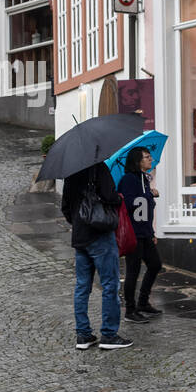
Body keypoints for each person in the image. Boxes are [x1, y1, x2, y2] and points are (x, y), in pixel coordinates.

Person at [62, 161, 131, 351]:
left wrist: (78, 221)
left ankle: (83, 334)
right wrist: (118, 198)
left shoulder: (71, 172)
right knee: (110, 284)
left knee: (82, 286)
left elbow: (65, 207)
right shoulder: (99, 168)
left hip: (80, 237)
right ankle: (109, 334)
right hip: (99, 235)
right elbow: (110, 197)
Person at [118, 147, 163, 323]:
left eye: (150, 156)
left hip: (144, 232)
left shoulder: (143, 178)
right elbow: (129, 204)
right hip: (133, 232)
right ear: (137, 162)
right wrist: (148, 195)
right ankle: (130, 310)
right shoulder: (128, 180)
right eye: (146, 157)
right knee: (133, 271)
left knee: (155, 265)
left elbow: (145, 211)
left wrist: (151, 231)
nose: (150, 159)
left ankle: (143, 302)